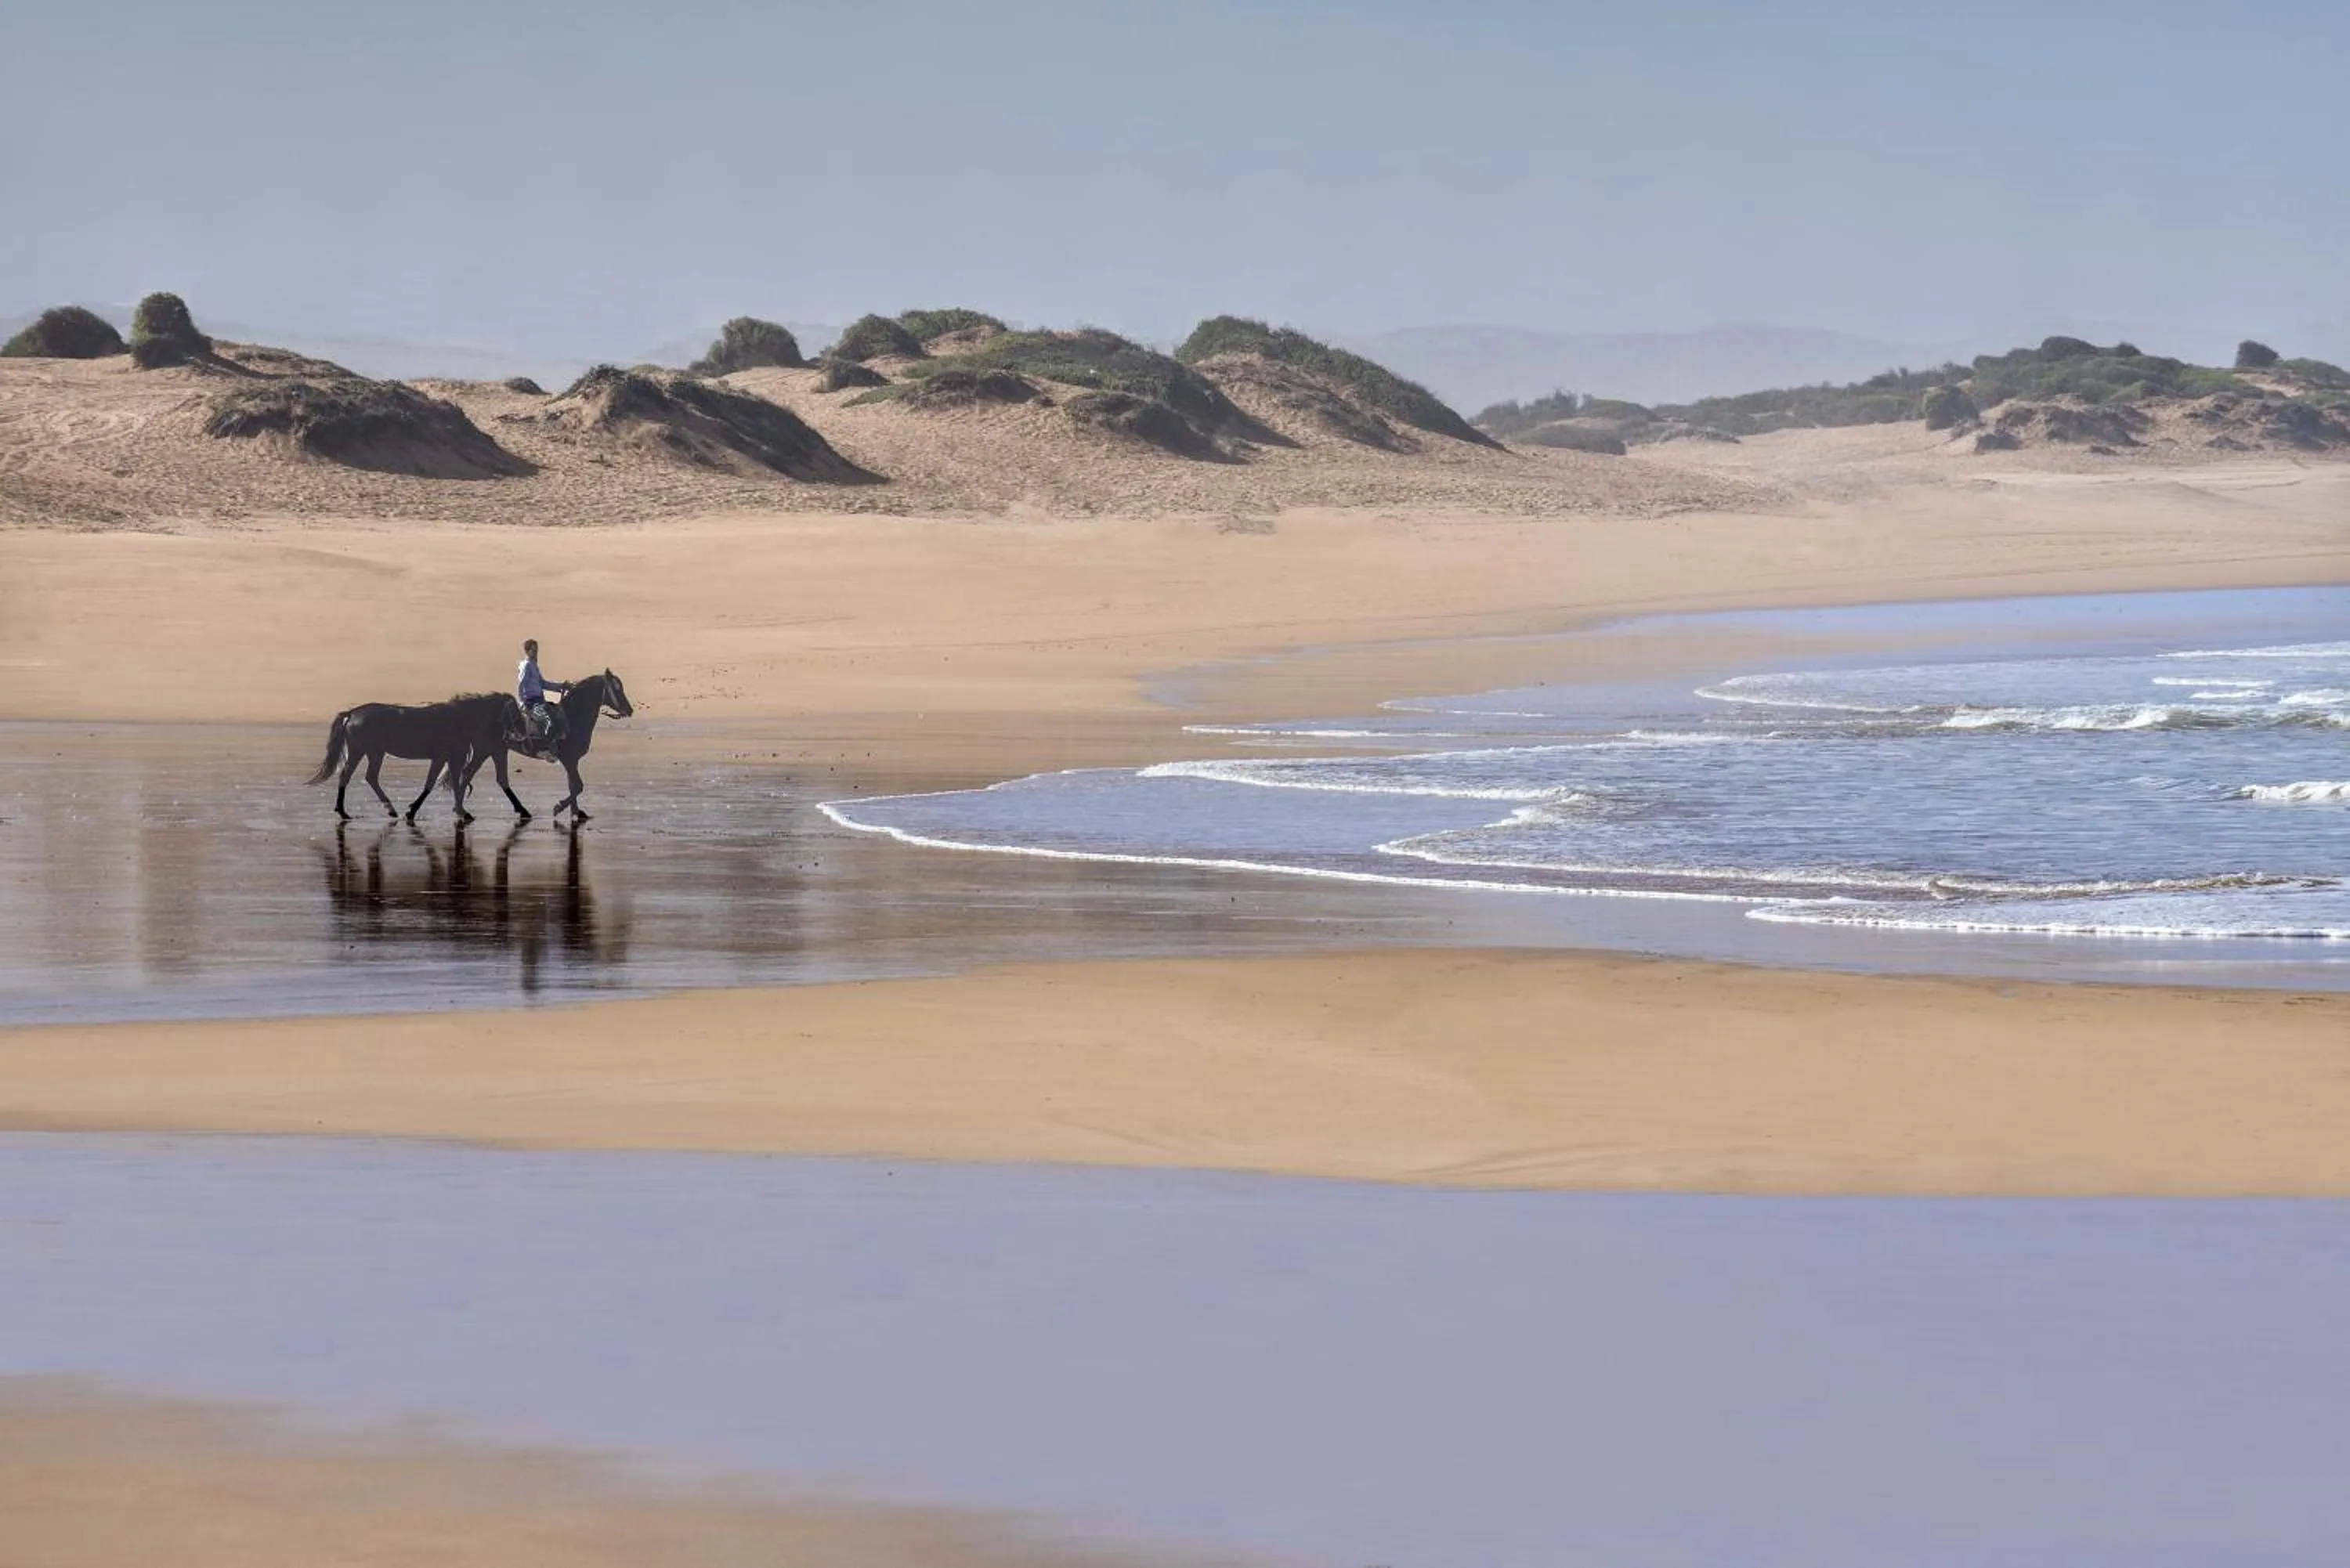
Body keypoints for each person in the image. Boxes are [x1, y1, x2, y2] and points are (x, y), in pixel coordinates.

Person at [516, 638, 572, 750]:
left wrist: (561, 686)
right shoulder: (526, 665)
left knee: (559, 713)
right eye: (534, 651)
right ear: (527, 651)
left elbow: (543, 684)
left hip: (540, 700)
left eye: (537, 650)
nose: (536, 653)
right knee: (547, 720)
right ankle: (544, 748)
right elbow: (521, 684)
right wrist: (522, 702)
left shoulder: (534, 666)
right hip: (531, 702)